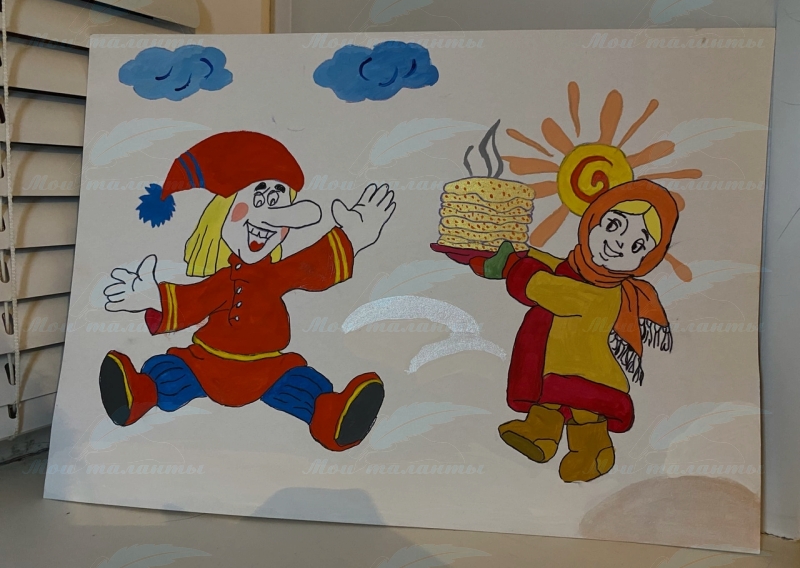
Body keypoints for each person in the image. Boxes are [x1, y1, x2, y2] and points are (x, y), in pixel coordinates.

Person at [99, 131, 396, 452]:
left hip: (267, 368)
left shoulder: (275, 275)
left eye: (280, 201)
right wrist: (149, 297)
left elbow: (312, 266)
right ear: (223, 213)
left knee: (301, 385)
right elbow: (191, 302)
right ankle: (138, 394)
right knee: (171, 373)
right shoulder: (222, 280)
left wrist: (353, 236)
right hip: (206, 363)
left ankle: (332, 418)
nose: (269, 216)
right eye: (258, 197)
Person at [459, 179, 677, 482]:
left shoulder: (604, 292)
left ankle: (594, 453)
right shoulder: (576, 268)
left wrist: (514, 268)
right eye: (614, 225)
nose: (618, 243)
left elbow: (548, 289)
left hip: (588, 372)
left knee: (584, 414)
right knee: (548, 403)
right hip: (557, 364)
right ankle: (539, 435)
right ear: (593, 221)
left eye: (637, 245)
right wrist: (513, 255)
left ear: (646, 260)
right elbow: (549, 264)